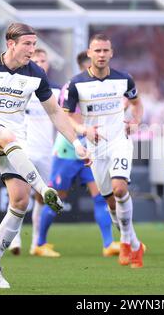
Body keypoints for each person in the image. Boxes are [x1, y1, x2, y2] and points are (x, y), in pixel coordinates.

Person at [0, 22, 90, 288]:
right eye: (27, 44)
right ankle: (44, 187)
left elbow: (55, 113)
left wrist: (77, 142)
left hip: (16, 140)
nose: (32, 49)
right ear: (11, 43)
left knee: (20, 201)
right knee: (6, 137)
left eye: (34, 44)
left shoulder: (36, 73)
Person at [64, 34, 145, 268]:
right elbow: (66, 116)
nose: (101, 55)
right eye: (96, 51)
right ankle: (135, 242)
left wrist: (136, 121)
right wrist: (83, 129)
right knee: (110, 201)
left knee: (120, 190)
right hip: (96, 147)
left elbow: (138, 103)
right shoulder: (76, 83)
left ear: (111, 53)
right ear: (89, 53)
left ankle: (126, 242)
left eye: (105, 51)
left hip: (120, 140)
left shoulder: (124, 79)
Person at [33, 51, 120, 258]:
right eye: (93, 64)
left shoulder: (103, 89)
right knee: (57, 198)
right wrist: (82, 132)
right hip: (68, 151)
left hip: (92, 151)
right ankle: (40, 243)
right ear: (84, 67)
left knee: (100, 196)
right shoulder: (71, 87)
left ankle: (108, 244)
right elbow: (65, 117)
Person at [7, 48, 63, 257]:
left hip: (48, 152)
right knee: (17, 195)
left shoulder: (56, 92)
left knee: (43, 197)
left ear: (48, 64)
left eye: (43, 60)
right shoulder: (18, 87)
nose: (40, 63)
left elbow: (64, 119)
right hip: (22, 149)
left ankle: (37, 243)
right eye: (36, 59)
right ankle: (14, 239)